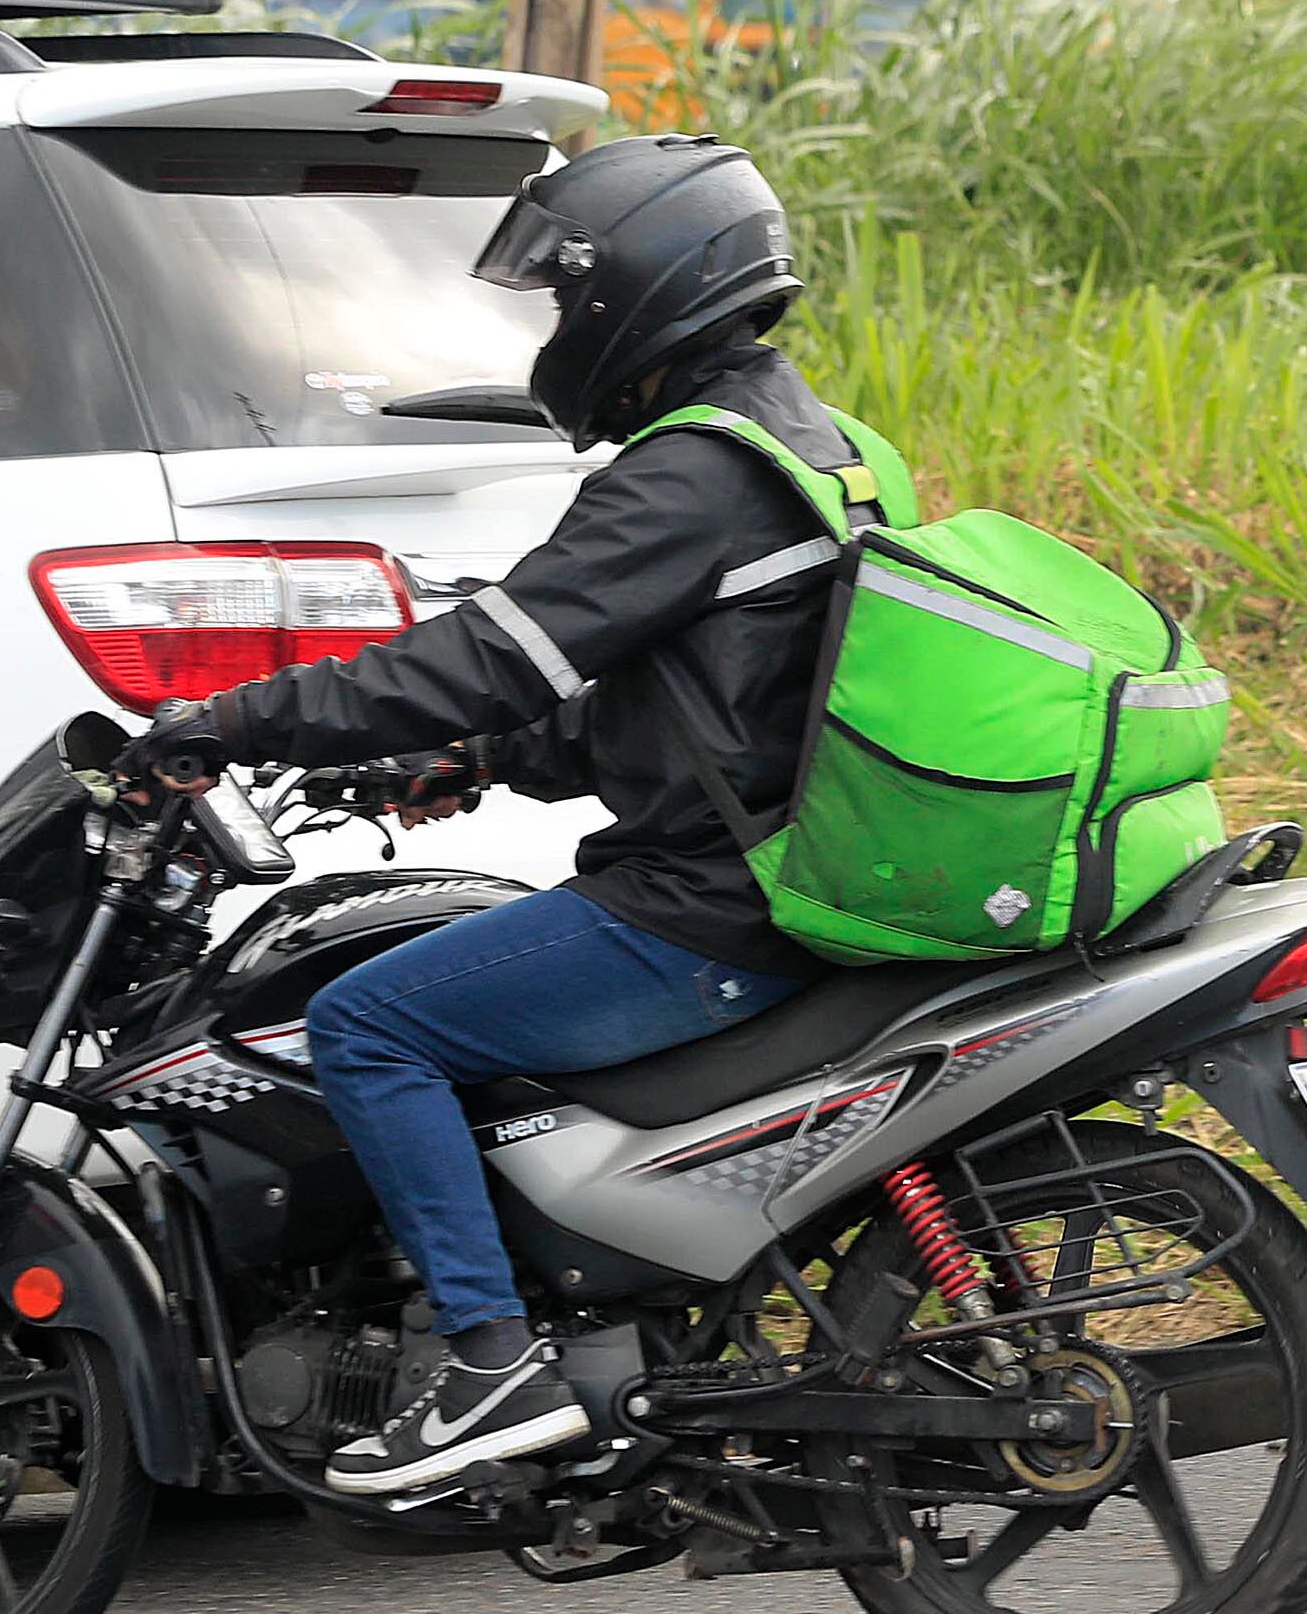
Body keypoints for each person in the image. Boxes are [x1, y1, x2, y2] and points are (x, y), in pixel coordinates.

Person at [114, 134, 879, 1495]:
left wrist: (238, 716)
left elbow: (475, 655)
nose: (549, 332)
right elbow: (707, 701)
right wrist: (479, 761)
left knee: (366, 1019)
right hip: (772, 874)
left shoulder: (682, 478)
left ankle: (486, 1359)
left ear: (631, 294)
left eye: (559, 299)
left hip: (703, 908)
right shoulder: (804, 442)